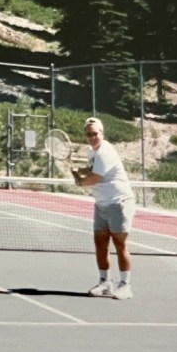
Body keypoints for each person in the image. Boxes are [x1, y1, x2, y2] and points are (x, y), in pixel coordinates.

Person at [72, 117, 135, 299]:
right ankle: (105, 282)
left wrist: (80, 181)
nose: (92, 137)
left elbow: (94, 178)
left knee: (120, 243)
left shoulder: (105, 152)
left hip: (118, 202)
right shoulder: (92, 152)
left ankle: (125, 286)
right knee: (100, 242)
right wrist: (79, 171)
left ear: (102, 134)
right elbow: (93, 169)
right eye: (89, 134)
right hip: (101, 204)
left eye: (95, 134)